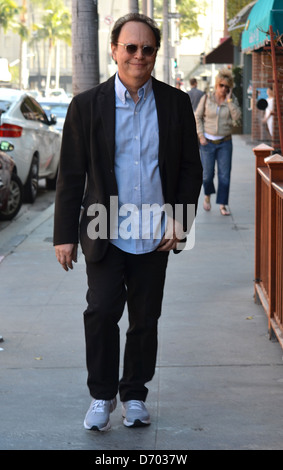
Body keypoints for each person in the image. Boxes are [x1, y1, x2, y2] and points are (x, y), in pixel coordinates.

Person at [53, 13, 202, 432]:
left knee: (144, 318)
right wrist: (64, 235)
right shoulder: (86, 106)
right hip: (104, 229)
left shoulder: (175, 104)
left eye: (147, 48)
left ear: (156, 53)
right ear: (114, 50)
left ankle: (134, 394)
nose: (139, 55)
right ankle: (102, 396)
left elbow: (191, 169)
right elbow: (71, 175)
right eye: (130, 47)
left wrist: (181, 221)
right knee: (100, 312)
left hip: (156, 232)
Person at [195, 68, 241, 216]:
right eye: (221, 85)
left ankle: (222, 204)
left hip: (225, 142)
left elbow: (237, 117)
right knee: (207, 175)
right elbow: (198, 117)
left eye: (227, 86)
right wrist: (201, 135)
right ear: (216, 85)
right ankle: (207, 196)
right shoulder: (207, 98)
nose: (224, 88)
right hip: (207, 143)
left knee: (224, 176)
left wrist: (229, 101)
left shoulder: (231, 100)